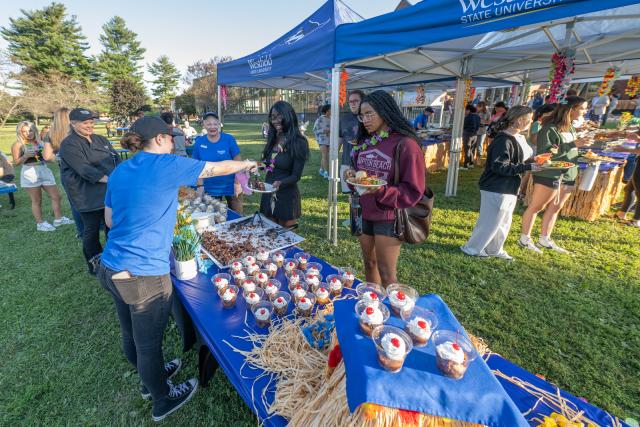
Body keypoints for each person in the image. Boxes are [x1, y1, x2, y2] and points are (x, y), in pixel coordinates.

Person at [97, 116, 256, 422]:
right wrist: (246, 163)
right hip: (143, 275)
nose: (174, 142)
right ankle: (161, 398)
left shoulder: (120, 170)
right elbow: (215, 168)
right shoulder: (166, 165)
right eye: (170, 137)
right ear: (158, 139)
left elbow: (109, 221)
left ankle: (150, 378)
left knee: (130, 333)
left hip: (110, 265)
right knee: (147, 345)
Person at [343, 90, 426, 286]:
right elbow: (360, 179)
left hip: (388, 216)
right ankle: (374, 307)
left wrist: (381, 191)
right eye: (362, 115)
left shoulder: (405, 144)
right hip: (363, 211)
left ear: (385, 112)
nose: (364, 120)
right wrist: (352, 177)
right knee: (369, 263)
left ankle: (392, 313)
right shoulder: (364, 142)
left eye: (369, 114)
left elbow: (413, 190)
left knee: (387, 274)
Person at [461, 106, 538, 260]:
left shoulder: (517, 137)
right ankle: (473, 248)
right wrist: (528, 166)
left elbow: (518, 159)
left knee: (503, 222)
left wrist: (533, 161)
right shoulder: (503, 140)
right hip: (496, 186)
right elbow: (499, 166)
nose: (531, 123)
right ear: (519, 120)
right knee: (489, 222)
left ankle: (495, 249)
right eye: (529, 120)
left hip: (509, 186)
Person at [518, 96, 590, 254]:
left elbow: (568, 149)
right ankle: (524, 238)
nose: (585, 111)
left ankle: (545, 238)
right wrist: (573, 145)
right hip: (550, 174)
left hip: (568, 174)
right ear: (571, 109)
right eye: (582, 108)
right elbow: (545, 154)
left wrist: (579, 148)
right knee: (536, 207)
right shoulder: (549, 128)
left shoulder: (570, 127)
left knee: (555, 208)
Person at [59, 108, 121, 274]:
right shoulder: (69, 144)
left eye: (91, 122)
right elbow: (84, 169)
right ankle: (95, 264)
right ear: (73, 124)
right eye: (85, 123)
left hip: (109, 193)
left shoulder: (100, 139)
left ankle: (114, 260)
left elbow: (116, 159)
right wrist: (112, 180)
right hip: (86, 195)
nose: (90, 126)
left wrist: (122, 176)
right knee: (92, 230)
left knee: (113, 227)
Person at [11, 121, 73, 231]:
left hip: (43, 169)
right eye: (24, 131)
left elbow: (47, 157)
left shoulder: (40, 142)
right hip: (29, 172)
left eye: (30, 130)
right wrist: (25, 156)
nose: (28, 133)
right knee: (37, 200)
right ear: (20, 132)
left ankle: (58, 219)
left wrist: (53, 157)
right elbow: (15, 163)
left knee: (57, 196)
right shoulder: (18, 144)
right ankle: (40, 223)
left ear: (34, 130)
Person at [259, 101, 310, 227]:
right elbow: (269, 164)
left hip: (286, 195)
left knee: (286, 238)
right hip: (268, 191)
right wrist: (255, 166)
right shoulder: (273, 138)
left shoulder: (299, 142)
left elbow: (296, 176)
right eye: (272, 117)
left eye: (279, 116)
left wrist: (280, 183)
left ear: (288, 116)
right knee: (269, 233)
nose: (275, 121)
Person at [42, 107, 84, 238]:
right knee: (90, 198)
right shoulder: (76, 132)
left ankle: (81, 231)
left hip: (66, 172)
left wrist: (61, 158)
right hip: (83, 168)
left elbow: (47, 156)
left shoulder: (50, 134)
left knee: (74, 202)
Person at [191, 112, 244, 213]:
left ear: (219, 124)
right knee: (215, 218)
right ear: (204, 125)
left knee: (238, 215)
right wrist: (200, 186)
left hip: (231, 184)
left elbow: (238, 162)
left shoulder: (228, 139)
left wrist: (237, 183)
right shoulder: (199, 141)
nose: (212, 127)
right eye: (209, 124)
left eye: (215, 124)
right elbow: (197, 166)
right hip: (210, 187)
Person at [339, 90, 364, 194]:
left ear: (363, 101)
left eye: (356, 101)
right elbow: (340, 137)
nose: (352, 103)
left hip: (363, 163)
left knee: (363, 193)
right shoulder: (344, 118)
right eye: (350, 101)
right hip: (346, 161)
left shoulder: (367, 117)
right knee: (349, 193)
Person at [313, 104, 331, 178]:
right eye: (331, 109)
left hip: (329, 140)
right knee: (325, 156)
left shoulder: (332, 119)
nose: (332, 110)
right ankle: (326, 173)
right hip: (322, 140)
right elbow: (314, 130)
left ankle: (321, 170)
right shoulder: (320, 119)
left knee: (325, 156)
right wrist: (324, 130)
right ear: (327, 110)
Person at [461, 105, 481, 169]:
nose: (465, 112)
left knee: (467, 150)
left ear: (469, 110)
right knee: (472, 150)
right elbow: (478, 126)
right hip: (475, 135)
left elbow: (464, 126)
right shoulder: (478, 116)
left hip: (468, 134)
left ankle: (466, 165)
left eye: (465, 110)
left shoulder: (468, 117)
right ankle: (471, 163)